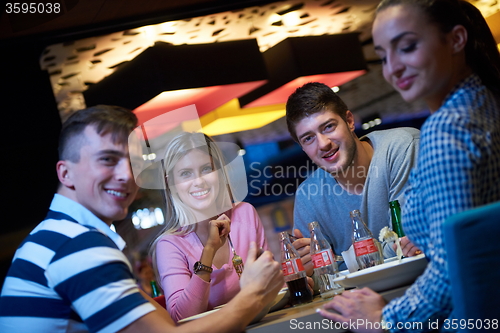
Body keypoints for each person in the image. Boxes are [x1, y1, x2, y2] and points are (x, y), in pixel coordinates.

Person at [0, 105, 284, 333]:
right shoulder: (76, 248)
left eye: (132, 162)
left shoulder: (60, 237)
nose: (126, 175)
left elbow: (164, 320)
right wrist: (255, 294)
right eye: (108, 159)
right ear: (65, 173)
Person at [318, 0, 500, 331]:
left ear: (457, 39)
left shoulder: (447, 130)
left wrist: (385, 317)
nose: (393, 68)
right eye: (384, 56)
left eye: (407, 47)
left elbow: (451, 273)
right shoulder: (486, 104)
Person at [286, 82, 421, 275]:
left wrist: (337, 264)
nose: (323, 144)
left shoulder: (401, 148)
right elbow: (320, 280)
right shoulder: (308, 196)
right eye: (308, 138)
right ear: (302, 147)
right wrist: (308, 271)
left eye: (328, 127)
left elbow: (408, 244)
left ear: (349, 121)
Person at [150, 132, 269, 322]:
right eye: (186, 174)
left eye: (206, 169)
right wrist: (209, 251)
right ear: (171, 183)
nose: (199, 181)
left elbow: (268, 283)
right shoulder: (169, 244)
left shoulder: (245, 213)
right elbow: (182, 318)